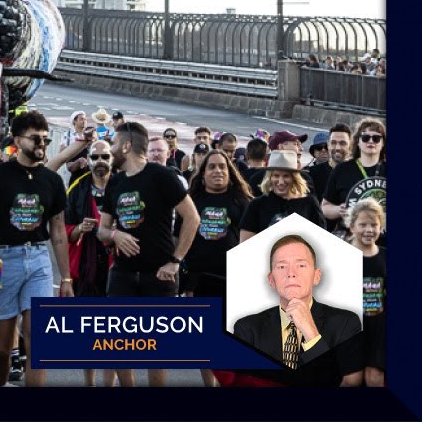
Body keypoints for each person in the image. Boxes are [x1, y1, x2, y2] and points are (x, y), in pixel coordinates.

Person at [0, 110, 72, 388]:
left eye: (44, 138)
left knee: (38, 340)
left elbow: (59, 233)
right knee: (1, 348)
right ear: (17, 140)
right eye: (35, 139)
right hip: (3, 260)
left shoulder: (52, 180)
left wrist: (65, 279)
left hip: (39, 260)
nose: (41, 144)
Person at [96, 121, 199, 387]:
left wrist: (176, 261)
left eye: (115, 145)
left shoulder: (161, 175)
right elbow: (102, 230)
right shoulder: (115, 181)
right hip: (123, 272)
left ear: (127, 146)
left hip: (159, 273)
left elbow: (192, 218)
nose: (112, 151)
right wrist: (115, 235)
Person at [232, 235, 361, 373]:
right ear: (271, 280)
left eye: (301, 265)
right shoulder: (247, 329)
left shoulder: (346, 323)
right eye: (282, 266)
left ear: (316, 276)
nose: (291, 273)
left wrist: (311, 333)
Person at [181, 149, 254, 387]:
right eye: (211, 167)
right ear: (202, 174)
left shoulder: (242, 202)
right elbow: (179, 239)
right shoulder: (192, 202)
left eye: (222, 166)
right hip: (198, 279)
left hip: (232, 280)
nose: (217, 171)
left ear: (230, 172)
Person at [64, 141, 133, 388]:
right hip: (87, 265)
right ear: (89, 160)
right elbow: (64, 230)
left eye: (105, 156)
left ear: (112, 160)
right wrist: (77, 230)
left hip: (119, 266)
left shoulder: (125, 186)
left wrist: (119, 231)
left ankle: (109, 384)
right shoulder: (77, 188)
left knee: (115, 332)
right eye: (95, 156)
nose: (100, 160)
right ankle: (89, 384)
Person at [322, 118, 385, 242]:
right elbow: (325, 206)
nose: (371, 141)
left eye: (376, 138)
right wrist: (338, 210)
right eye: (365, 138)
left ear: (383, 143)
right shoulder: (342, 170)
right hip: (351, 240)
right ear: (358, 142)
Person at [239, 150, 324, 243]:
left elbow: (320, 241)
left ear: (294, 178)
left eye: (286, 176)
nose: (281, 181)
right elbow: (245, 243)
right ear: (270, 177)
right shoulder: (257, 205)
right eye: (276, 176)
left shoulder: (309, 202)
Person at [346, 199, 384, 387]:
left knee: (374, 378)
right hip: (352, 328)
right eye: (363, 225)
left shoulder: (385, 256)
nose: (369, 230)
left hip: (379, 328)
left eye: (374, 225)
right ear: (352, 226)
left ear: (381, 227)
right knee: (352, 380)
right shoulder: (343, 255)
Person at [310, 124, 352, 206]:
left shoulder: (357, 172)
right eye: (333, 143)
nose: (337, 148)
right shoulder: (312, 173)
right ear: (328, 144)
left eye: (342, 143)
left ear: (351, 145)